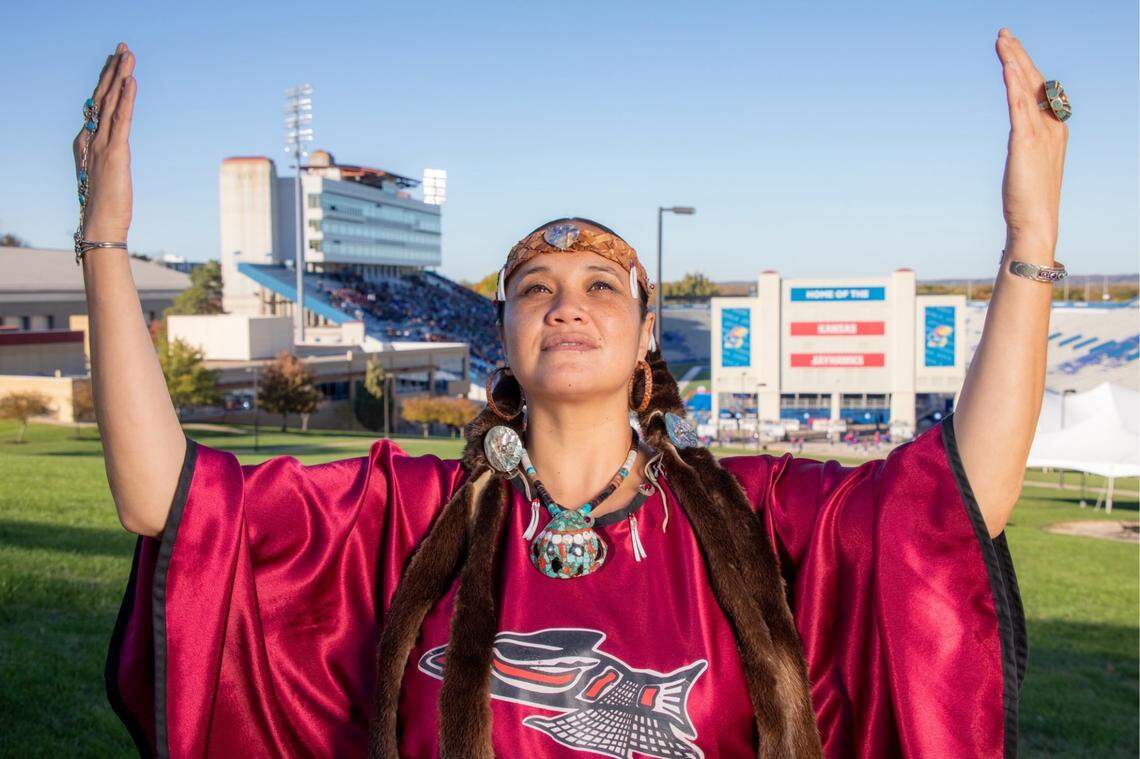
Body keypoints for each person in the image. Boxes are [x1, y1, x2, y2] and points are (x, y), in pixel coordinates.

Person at [78, 27, 1068, 759]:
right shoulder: (403, 517)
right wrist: (105, 245)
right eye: (535, 291)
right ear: (503, 336)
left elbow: (957, 502)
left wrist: (1030, 245)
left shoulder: (759, 513)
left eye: (601, 288)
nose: (566, 305)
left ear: (646, 336)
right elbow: (164, 501)